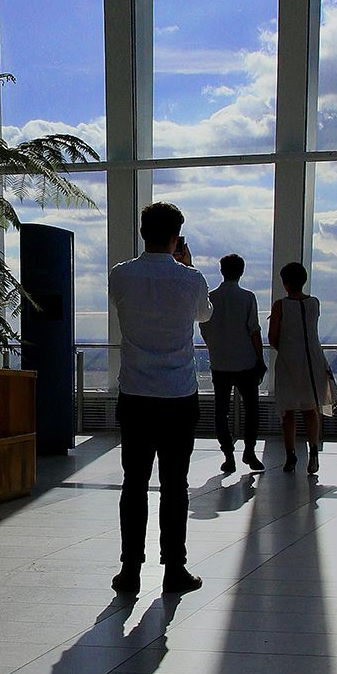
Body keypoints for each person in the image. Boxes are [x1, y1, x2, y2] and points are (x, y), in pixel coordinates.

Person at [108, 200, 211, 597]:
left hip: (135, 394)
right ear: (175, 238)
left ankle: (130, 570)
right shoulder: (191, 279)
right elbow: (205, 315)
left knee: (133, 484)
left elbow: (123, 302)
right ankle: (175, 568)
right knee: (175, 485)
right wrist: (184, 265)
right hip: (178, 396)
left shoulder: (121, 276)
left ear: (142, 234)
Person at [203, 253, 265, 476]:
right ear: (241, 272)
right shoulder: (248, 298)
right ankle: (249, 450)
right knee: (252, 409)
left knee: (221, 411)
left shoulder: (211, 298)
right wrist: (260, 359)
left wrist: (215, 348)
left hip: (220, 363)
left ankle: (228, 456)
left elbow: (204, 329)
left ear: (222, 271)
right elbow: (254, 330)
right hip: (246, 362)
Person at [267, 262, 329, 477]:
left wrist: (283, 346)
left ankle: (290, 455)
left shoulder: (280, 305)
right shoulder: (314, 303)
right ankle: (313, 451)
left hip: (288, 360)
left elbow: (273, 336)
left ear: (285, 283)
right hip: (312, 360)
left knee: (288, 410)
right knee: (310, 409)